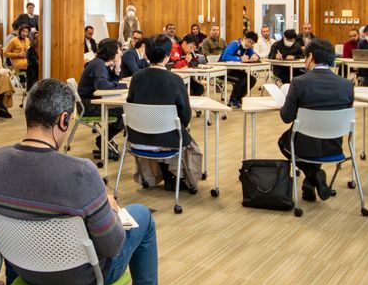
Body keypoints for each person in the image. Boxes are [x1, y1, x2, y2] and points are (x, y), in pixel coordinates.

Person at [0, 78, 178, 285]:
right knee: (142, 217)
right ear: (63, 121)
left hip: (25, 274)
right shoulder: (80, 172)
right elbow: (113, 246)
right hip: (80, 280)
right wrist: (109, 210)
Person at [277, 38, 354, 202]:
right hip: (334, 146)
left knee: (284, 142)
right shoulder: (347, 85)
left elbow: (286, 117)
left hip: (305, 146)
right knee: (317, 132)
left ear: (310, 57)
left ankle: (313, 176)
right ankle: (312, 182)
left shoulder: (299, 82)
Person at [127, 35, 203, 194]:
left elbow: (130, 104)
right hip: (167, 139)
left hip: (138, 139)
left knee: (166, 130)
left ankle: (163, 176)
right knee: (179, 133)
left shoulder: (136, 79)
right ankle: (177, 177)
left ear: (146, 54)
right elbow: (186, 115)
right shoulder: (175, 80)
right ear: (168, 55)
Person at [78, 38, 125, 159]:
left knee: (123, 111)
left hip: (89, 103)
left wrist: (117, 69)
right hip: (88, 106)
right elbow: (103, 86)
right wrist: (122, 85)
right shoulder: (98, 65)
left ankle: (105, 139)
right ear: (111, 52)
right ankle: (103, 140)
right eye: (118, 50)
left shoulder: (100, 63)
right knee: (125, 113)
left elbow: (109, 83)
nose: (120, 53)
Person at [220, 31, 261, 108]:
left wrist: (256, 56)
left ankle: (237, 99)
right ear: (245, 38)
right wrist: (239, 59)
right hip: (223, 70)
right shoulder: (235, 44)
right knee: (241, 79)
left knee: (252, 79)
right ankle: (232, 100)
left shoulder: (247, 48)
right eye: (249, 42)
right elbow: (225, 57)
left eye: (252, 44)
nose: (250, 45)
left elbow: (255, 54)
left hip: (234, 70)